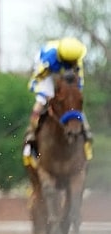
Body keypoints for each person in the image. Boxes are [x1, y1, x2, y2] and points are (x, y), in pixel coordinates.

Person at [22, 37, 92, 166]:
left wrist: (74, 95)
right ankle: (31, 133)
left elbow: (79, 84)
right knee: (41, 100)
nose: (72, 63)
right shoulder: (47, 59)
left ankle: (86, 131)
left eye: (73, 61)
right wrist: (49, 96)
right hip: (46, 75)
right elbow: (37, 80)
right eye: (69, 61)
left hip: (65, 76)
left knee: (74, 102)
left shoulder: (77, 59)